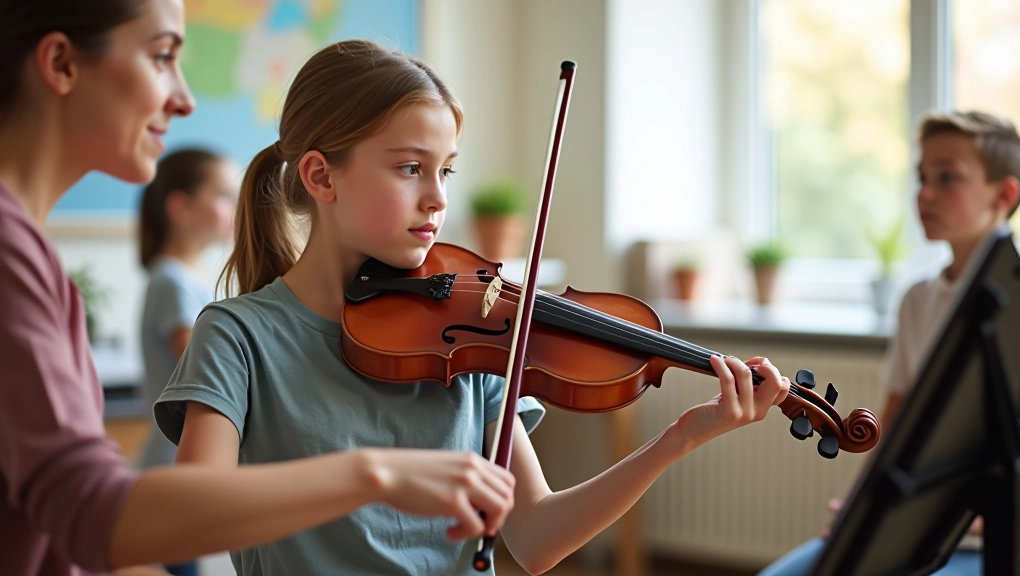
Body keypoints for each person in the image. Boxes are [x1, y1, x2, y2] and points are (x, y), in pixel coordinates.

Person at [153, 37, 792, 576]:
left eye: (445, 172)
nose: (436, 199)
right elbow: (183, 521)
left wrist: (679, 439)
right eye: (409, 168)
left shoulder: (469, 338)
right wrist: (368, 475)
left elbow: (535, 537)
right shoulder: (239, 336)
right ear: (321, 177)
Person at [0, 2, 532, 574]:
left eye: (445, 170)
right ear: (61, 64)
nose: (185, 99)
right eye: (162, 56)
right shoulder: (16, 254)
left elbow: (64, 531)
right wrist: (374, 473)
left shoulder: (38, 266)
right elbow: (94, 512)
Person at [757, 110, 1020, 576]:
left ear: (1004, 194)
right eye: (922, 177)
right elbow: (896, 424)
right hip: (913, 528)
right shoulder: (917, 300)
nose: (924, 193)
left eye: (947, 177)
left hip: (997, 539)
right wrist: (862, 510)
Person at [136, 148, 238, 576]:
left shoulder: (189, 280)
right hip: (172, 467)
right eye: (223, 195)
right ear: (179, 207)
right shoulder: (172, 281)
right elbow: (209, 371)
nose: (234, 208)